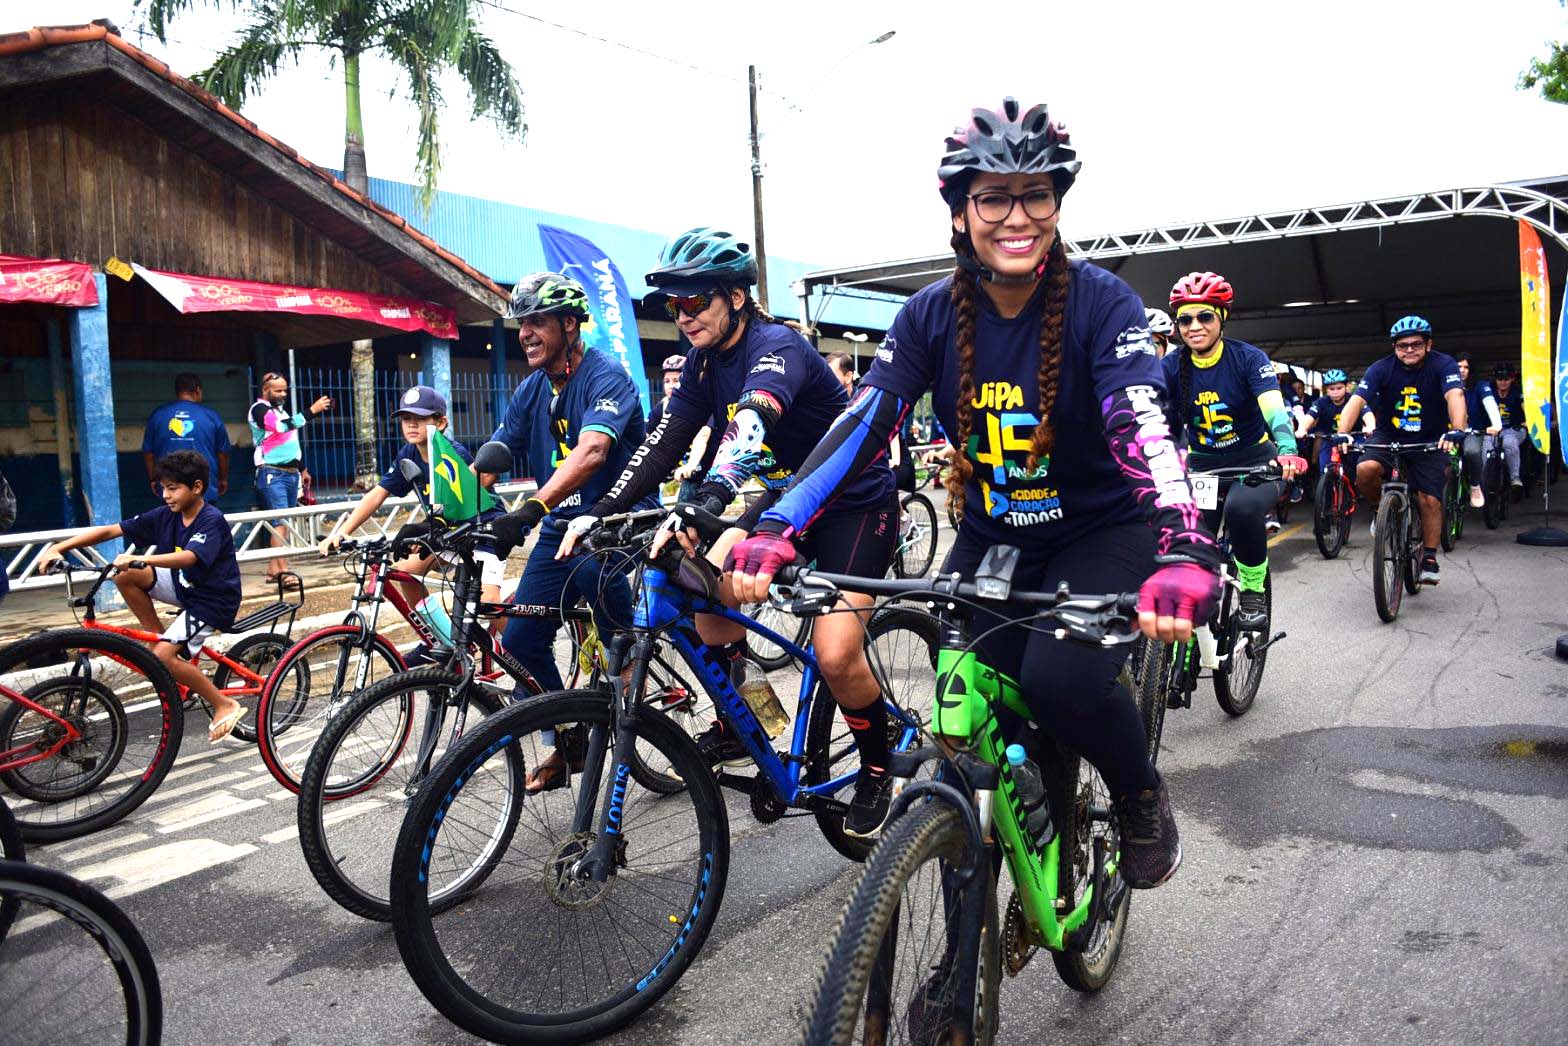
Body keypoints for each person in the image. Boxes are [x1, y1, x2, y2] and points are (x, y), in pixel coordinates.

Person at [729, 98, 1223, 884]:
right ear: (960, 214)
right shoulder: (928, 314)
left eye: (1037, 194)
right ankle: (971, 940)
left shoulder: (1104, 303)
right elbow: (864, 424)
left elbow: (1143, 425)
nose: (1017, 216)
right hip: (997, 534)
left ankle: (1137, 791)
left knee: (1059, 683)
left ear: (1058, 203)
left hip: (1103, 532)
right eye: (994, 197)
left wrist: (1187, 542)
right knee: (963, 706)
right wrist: (779, 522)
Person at [560, 226, 901, 837]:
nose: (685, 317)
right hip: (778, 501)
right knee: (695, 580)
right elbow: (664, 442)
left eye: (697, 302)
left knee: (836, 651)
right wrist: (604, 508)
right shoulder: (699, 363)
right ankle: (746, 719)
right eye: (675, 306)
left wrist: (710, 499)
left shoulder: (779, 347)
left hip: (852, 501)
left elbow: (749, 426)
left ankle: (879, 763)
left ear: (736, 297)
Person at [486, 273, 651, 792]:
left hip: (615, 520)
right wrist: (446, 511)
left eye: (537, 321)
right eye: (522, 323)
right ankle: (564, 741)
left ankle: (628, 689)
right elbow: (490, 460)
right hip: (560, 524)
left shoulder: (607, 377)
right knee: (518, 642)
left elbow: (593, 451)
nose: (526, 333)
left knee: (615, 641)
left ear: (570, 324)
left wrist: (532, 506)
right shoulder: (532, 388)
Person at [37, 451, 246, 742]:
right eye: (162, 488)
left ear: (196, 487)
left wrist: (143, 560)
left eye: (173, 488)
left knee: (161, 656)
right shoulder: (165, 515)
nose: (166, 495)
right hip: (182, 586)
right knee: (125, 576)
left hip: (211, 601)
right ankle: (161, 640)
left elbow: (189, 558)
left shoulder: (211, 519)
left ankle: (224, 702)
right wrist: (59, 547)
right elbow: (113, 529)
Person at [318, 385, 505, 663]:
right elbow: (377, 493)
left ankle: (521, 650)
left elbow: (468, 494)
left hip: (483, 531)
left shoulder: (452, 452)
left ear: (441, 423)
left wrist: (426, 530)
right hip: (447, 532)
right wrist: (342, 531)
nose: (412, 424)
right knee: (405, 572)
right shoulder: (408, 453)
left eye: (420, 418)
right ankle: (438, 641)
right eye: (406, 419)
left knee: (487, 605)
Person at [1163, 272, 1305, 632]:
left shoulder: (1248, 358)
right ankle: (1188, 644)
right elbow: (1145, 414)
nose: (1195, 326)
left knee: (1242, 510)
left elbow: (1274, 409)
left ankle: (1253, 593)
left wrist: (1287, 449)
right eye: (1185, 319)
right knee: (1188, 544)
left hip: (1255, 463)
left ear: (1222, 317)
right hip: (1202, 469)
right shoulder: (1170, 366)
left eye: (1205, 316)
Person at [1334, 316, 1466, 585]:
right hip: (1388, 435)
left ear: (1428, 344)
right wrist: (1343, 433)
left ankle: (1429, 557)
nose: (1409, 349)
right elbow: (1357, 400)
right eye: (1402, 345)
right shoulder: (1381, 368)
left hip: (1429, 440)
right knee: (1364, 469)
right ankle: (1378, 510)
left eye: (1416, 344)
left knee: (1429, 500)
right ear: (1394, 347)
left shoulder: (1444, 365)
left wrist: (1457, 429)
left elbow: (1455, 396)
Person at [249, 372, 332, 586]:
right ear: (265, 390)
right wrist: (312, 411)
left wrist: (302, 468)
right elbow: (281, 427)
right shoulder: (259, 410)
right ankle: (284, 572)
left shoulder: (280, 411)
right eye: (278, 390)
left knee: (282, 523)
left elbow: (288, 441)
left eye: (285, 390)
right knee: (281, 523)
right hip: (272, 473)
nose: (283, 394)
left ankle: (272, 570)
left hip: (289, 472)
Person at [143, 373, 231, 506]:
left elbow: (148, 453)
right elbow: (222, 453)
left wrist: (154, 479)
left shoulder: (158, 415)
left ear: (177, 391)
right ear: (198, 390)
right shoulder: (211, 416)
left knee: (172, 526)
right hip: (203, 487)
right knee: (204, 525)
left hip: (170, 488)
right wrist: (223, 479)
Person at [648, 353, 713, 502]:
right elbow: (650, 441)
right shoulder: (659, 410)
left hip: (703, 464)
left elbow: (703, 435)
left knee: (686, 503)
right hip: (677, 466)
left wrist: (691, 464)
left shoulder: (701, 405)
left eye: (676, 380)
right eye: (667, 381)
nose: (671, 385)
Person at [1296, 369, 1373, 472]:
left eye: (1339, 388)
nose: (1335, 392)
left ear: (1346, 387)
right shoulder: (1321, 402)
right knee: (1325, 469)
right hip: (1330, 440)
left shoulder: (1354, 400)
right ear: (1326, 390)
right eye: (1332, 389)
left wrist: (1370, 426)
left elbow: (1367, 414)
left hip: (1354, 439)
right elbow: (1309, 417)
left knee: (1359, 468)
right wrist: (1302, 429)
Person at [1457, 355, 1502, 508]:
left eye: (1466, 367)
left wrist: (1496, 423)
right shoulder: (1446, 384)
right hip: (1450, 431)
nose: (1462, 370)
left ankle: (1475, 486)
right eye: (1458, 367)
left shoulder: (1480, 385)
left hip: (1473, 431)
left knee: (1472, 452)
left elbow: (1489, 402)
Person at [1491, 363, 1528, 498]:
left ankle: (1515, 478)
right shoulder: (1489, 391)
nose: (1503, 382)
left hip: (1515, 429)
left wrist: (1528, 420)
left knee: (1508, 442)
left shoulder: (1518, 391)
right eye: (1500, 379)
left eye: (1506, 379)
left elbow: (1526, 407)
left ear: (1512, 379)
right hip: (1494, 430)